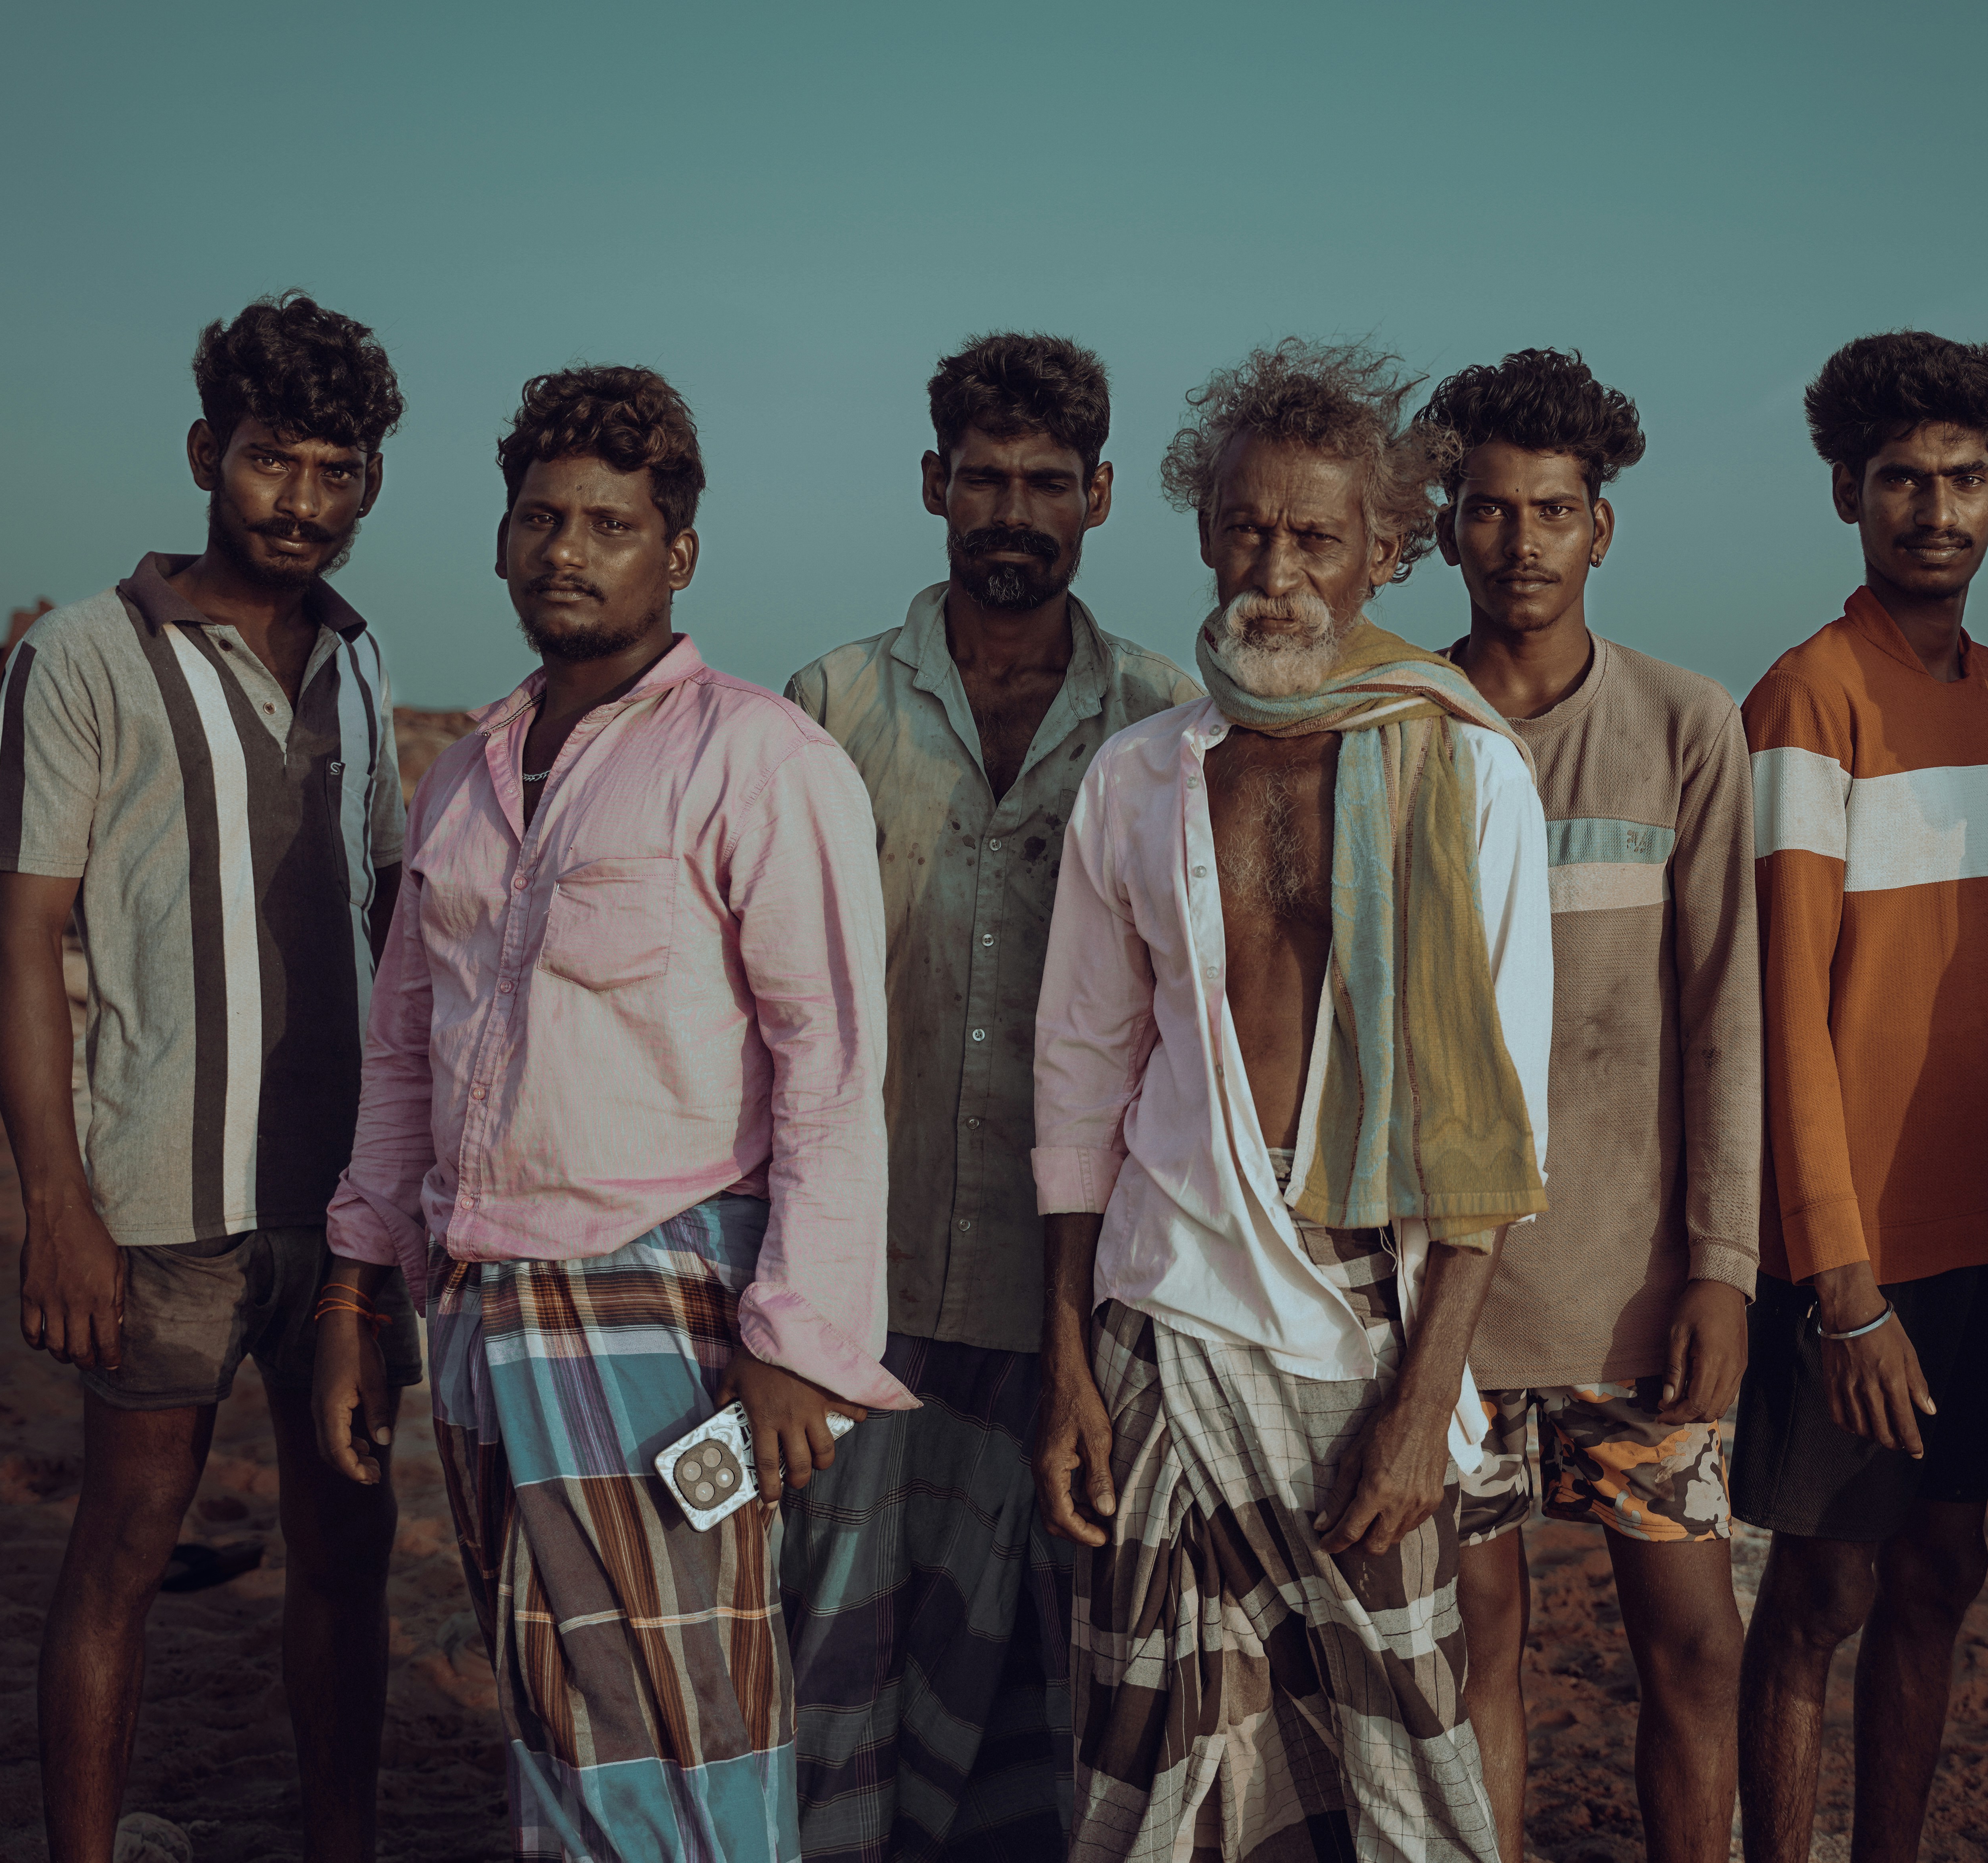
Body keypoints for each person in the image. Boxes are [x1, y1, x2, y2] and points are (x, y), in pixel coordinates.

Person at [316, 365, 919, 1861]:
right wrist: (355, 1294)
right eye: (541, 519)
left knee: (688, 1720)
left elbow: (833, 1068)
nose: (568, 551)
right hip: (479, 1308)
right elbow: (401, 1057)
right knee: (555, 1708)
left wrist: (798, 1340)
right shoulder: (460, 782)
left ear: (678, 553)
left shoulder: (758, 757)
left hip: (670, 1315)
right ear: (501, 539)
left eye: (609, 524)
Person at [1025, 339, 1552, 1862]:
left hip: (1369, 1318)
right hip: (1163, 1312)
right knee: (1146, 1763)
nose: (1276, 571)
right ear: (1202, 533)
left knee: (1400, 1775)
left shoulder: (1468, 773)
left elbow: (1499, 1132)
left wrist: (1421, 1408)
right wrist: (1069, 1367)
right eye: (1248, 530)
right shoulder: (1138, 777)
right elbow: (1078, 1084)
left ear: (1386, 551)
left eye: (1316, 538)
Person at [0, 294, 411, 1863]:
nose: (301, 500)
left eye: (336, 471)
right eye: (271, 460)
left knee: (346, 1553)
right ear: (203, 453)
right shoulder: (85, 655)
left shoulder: (361, 665)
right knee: (122, 1553)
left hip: (347, 1212)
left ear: (370, 485)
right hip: (160, 1201)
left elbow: (393, 919)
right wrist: (57, 1208)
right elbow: (20, 938)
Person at [779, 332, 1192, 1860]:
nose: (1012, 511)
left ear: (1099, 496)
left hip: (1079, 1296)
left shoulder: (1162, 723)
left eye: (1046, 483)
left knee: (1052, 1670)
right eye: (984, 479)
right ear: (933, 485)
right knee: (843, 1658)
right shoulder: (830, 706)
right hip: (864, 1281)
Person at [1419, 349, 1761, 1863]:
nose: (1522, 543)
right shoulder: (1402, 727)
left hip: (1640, 1303)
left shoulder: (1686, 726)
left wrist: (1724, 1269)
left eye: (1553, 510)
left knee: (1695, 1649)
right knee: (1475, 1655)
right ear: (1449, 528)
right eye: (1491, 510)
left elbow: (1726, 1017)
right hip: (1452, 1309)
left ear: (1601, 527)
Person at [1736, 329, 1988, 1863]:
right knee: (1822, 1591)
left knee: (1942, 1574)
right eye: (1902, 479)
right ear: (1848, 491)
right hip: (1853, 1253)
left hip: (1986, 1239)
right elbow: (1783, 1007)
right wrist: (1840, 1286)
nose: (1935, 509)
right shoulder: (1808, 695)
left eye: (1964, 479)